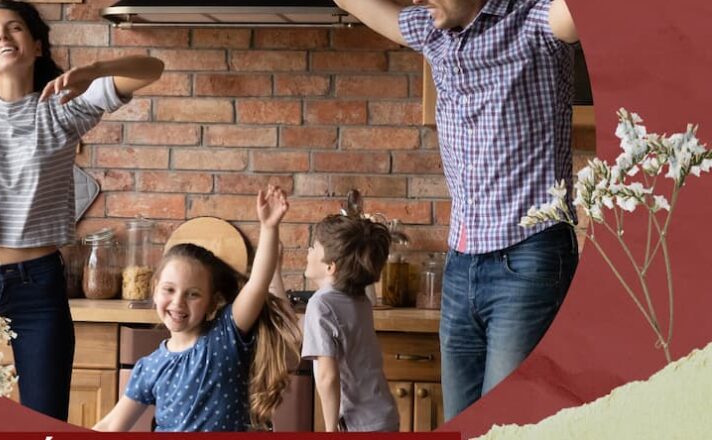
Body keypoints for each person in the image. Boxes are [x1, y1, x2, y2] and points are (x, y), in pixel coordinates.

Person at [0, 0, 164, 421]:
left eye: (15, 28)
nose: (2, 36)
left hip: (38, 289)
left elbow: (151, 68)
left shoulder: (65, 109)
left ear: (38, 46)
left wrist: (94, 71)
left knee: (45, 419)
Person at [332, 0, 581, 421]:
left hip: (529, 259)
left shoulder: (536, 20)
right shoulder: (433, 27)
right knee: (462, 424)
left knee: (505, 425)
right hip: (461, 264)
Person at [93, 186, 302, 432]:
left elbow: (257, 283)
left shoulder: (226, 335)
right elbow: (111, 425)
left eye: (193, 294)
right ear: (155, 289)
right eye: (169, 290)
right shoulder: (149, 367)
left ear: (212, 303)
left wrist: (269, 228)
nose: (178, 303)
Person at [302, 214, 400, 432]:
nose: (308, 251)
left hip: (359, 425)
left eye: (314, 247)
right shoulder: (360, 298)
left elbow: (328, 377)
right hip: (384, 416)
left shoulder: (320, 304)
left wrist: (329, 430)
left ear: (330, 267)